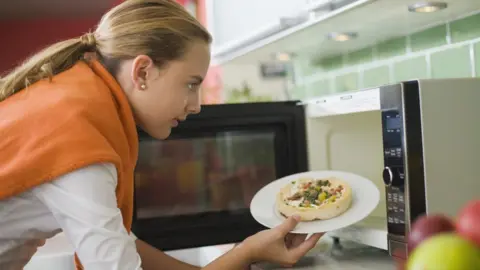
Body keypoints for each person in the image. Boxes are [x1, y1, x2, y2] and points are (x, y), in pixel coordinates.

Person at [0, 0, 323, 269]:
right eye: (191, 84)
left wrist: (245, 253)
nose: (196, 105)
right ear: (142, 72)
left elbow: (125, 244)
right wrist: (246, 253)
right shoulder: (77, 136)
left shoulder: (81, 102)